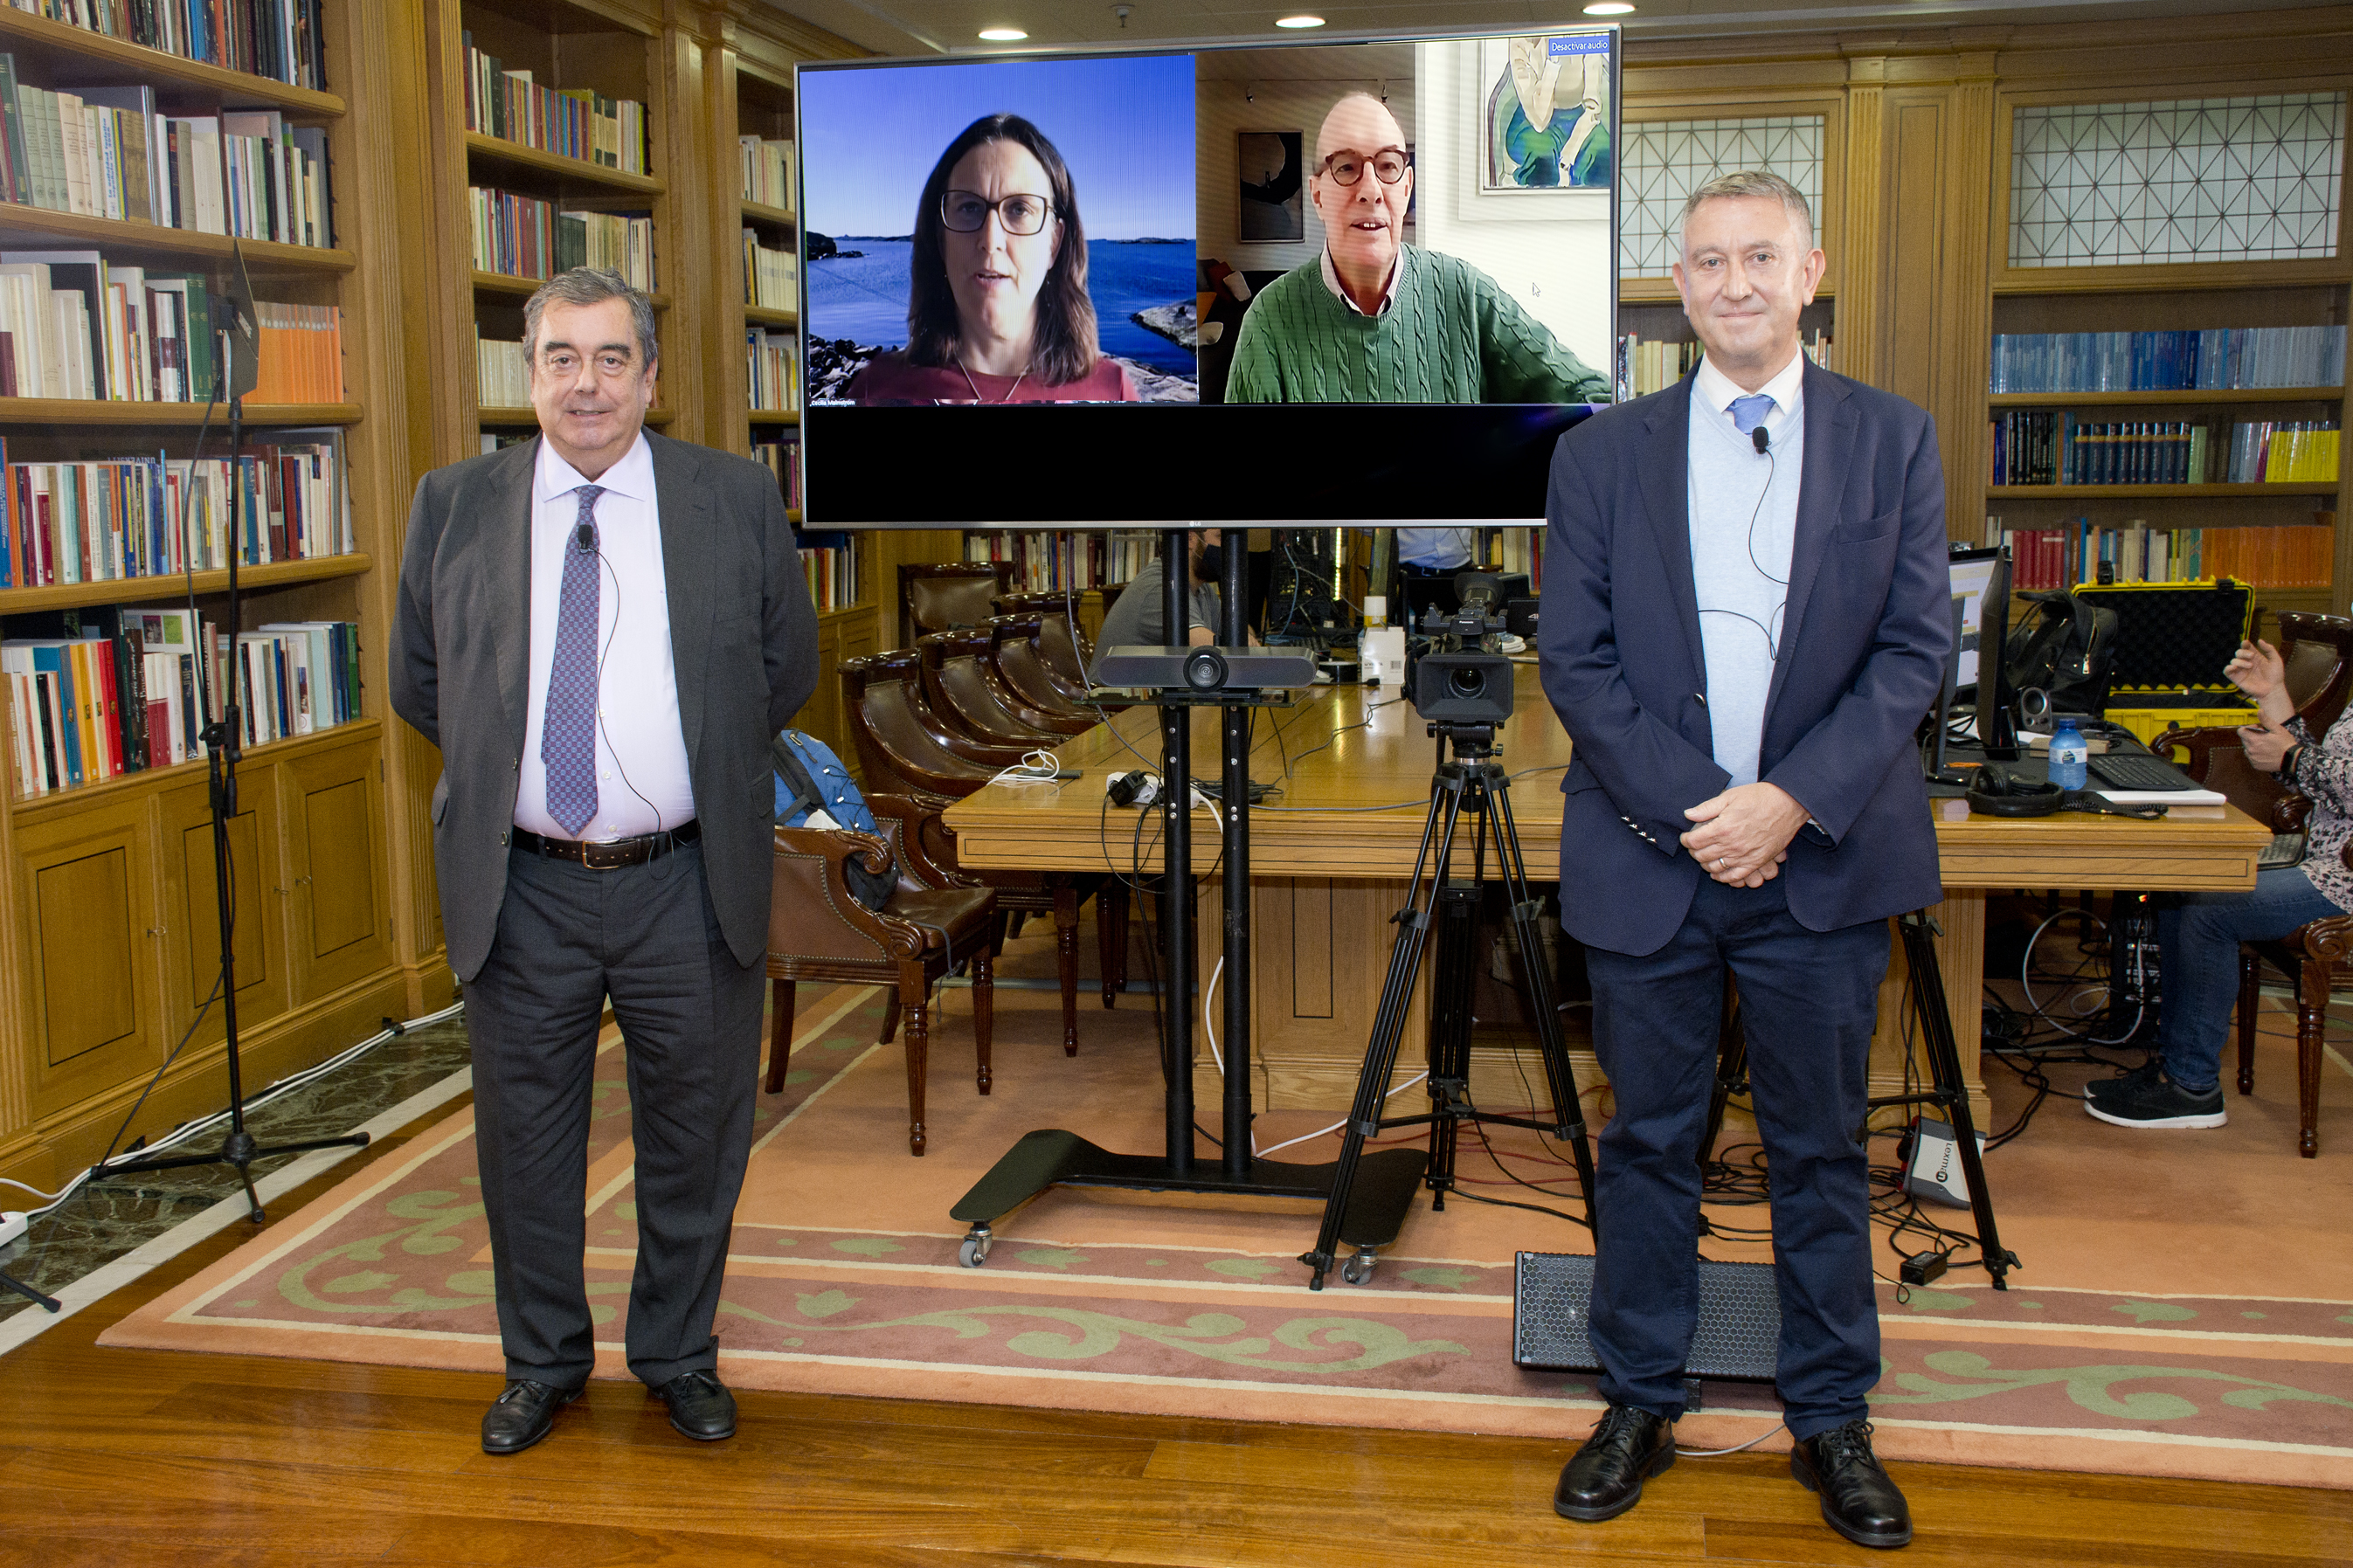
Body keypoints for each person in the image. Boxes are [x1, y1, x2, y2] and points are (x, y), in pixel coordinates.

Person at [1536, 171, 1949, 1551]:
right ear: (1679, 287)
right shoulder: (1600, 454)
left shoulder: (1892, 439)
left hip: (1821, 863)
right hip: (1650, 857)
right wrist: (1709, 810)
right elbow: (1575, 662)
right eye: (1707, 261)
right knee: (1648, 1142)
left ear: (1809, 271)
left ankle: (1830, 1413)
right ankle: (1639, 1397)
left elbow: (1913, 651)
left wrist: (1787, 803)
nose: (1734, 283)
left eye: (1759, 256)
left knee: (1820, 1149)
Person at [391, 267, 819, 1455]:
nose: (587, 384)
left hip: (687, 879)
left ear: (650, 375)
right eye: (562, 358)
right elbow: (422, 682)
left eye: (611, 358)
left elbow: (784, 667)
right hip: (521, 884)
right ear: (528, 375)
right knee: (525, 1144)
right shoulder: (453, 504)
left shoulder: (731, 499)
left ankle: (677, 1351)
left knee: (694, 1136)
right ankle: (542, 1362)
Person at [2086, 636, 2352, 1129]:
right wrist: (2273, 697)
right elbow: (2324, 780)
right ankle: (2174, 1066)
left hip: (2343, 881)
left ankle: (2193, 1087)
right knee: (2182, 889)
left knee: (2211, 910)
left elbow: (2320, 772)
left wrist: (2295, 758)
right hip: (2323, 862)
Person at [1222, 92, 1609, 406]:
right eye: (1346, 167)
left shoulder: (1466, 294)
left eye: (1388, 166)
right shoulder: (1269, 320)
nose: (1371, 190)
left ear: (1406, 189)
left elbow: (1591, 396)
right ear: (1318, 195)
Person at [848, 113, 1139, 404]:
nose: (990, 241)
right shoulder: (876, 391)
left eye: (1019, 209)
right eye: (969, 207)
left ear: (1054, 243)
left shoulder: (1112, 391)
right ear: (941, 238)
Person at [1094, 530, 1229, 657]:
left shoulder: (1203, 589)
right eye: (1220, 537)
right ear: (1190, 539)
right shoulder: (1162, 584)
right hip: (1120, 676)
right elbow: (1209, 648)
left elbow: (1232, 635)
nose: (1230, 547)